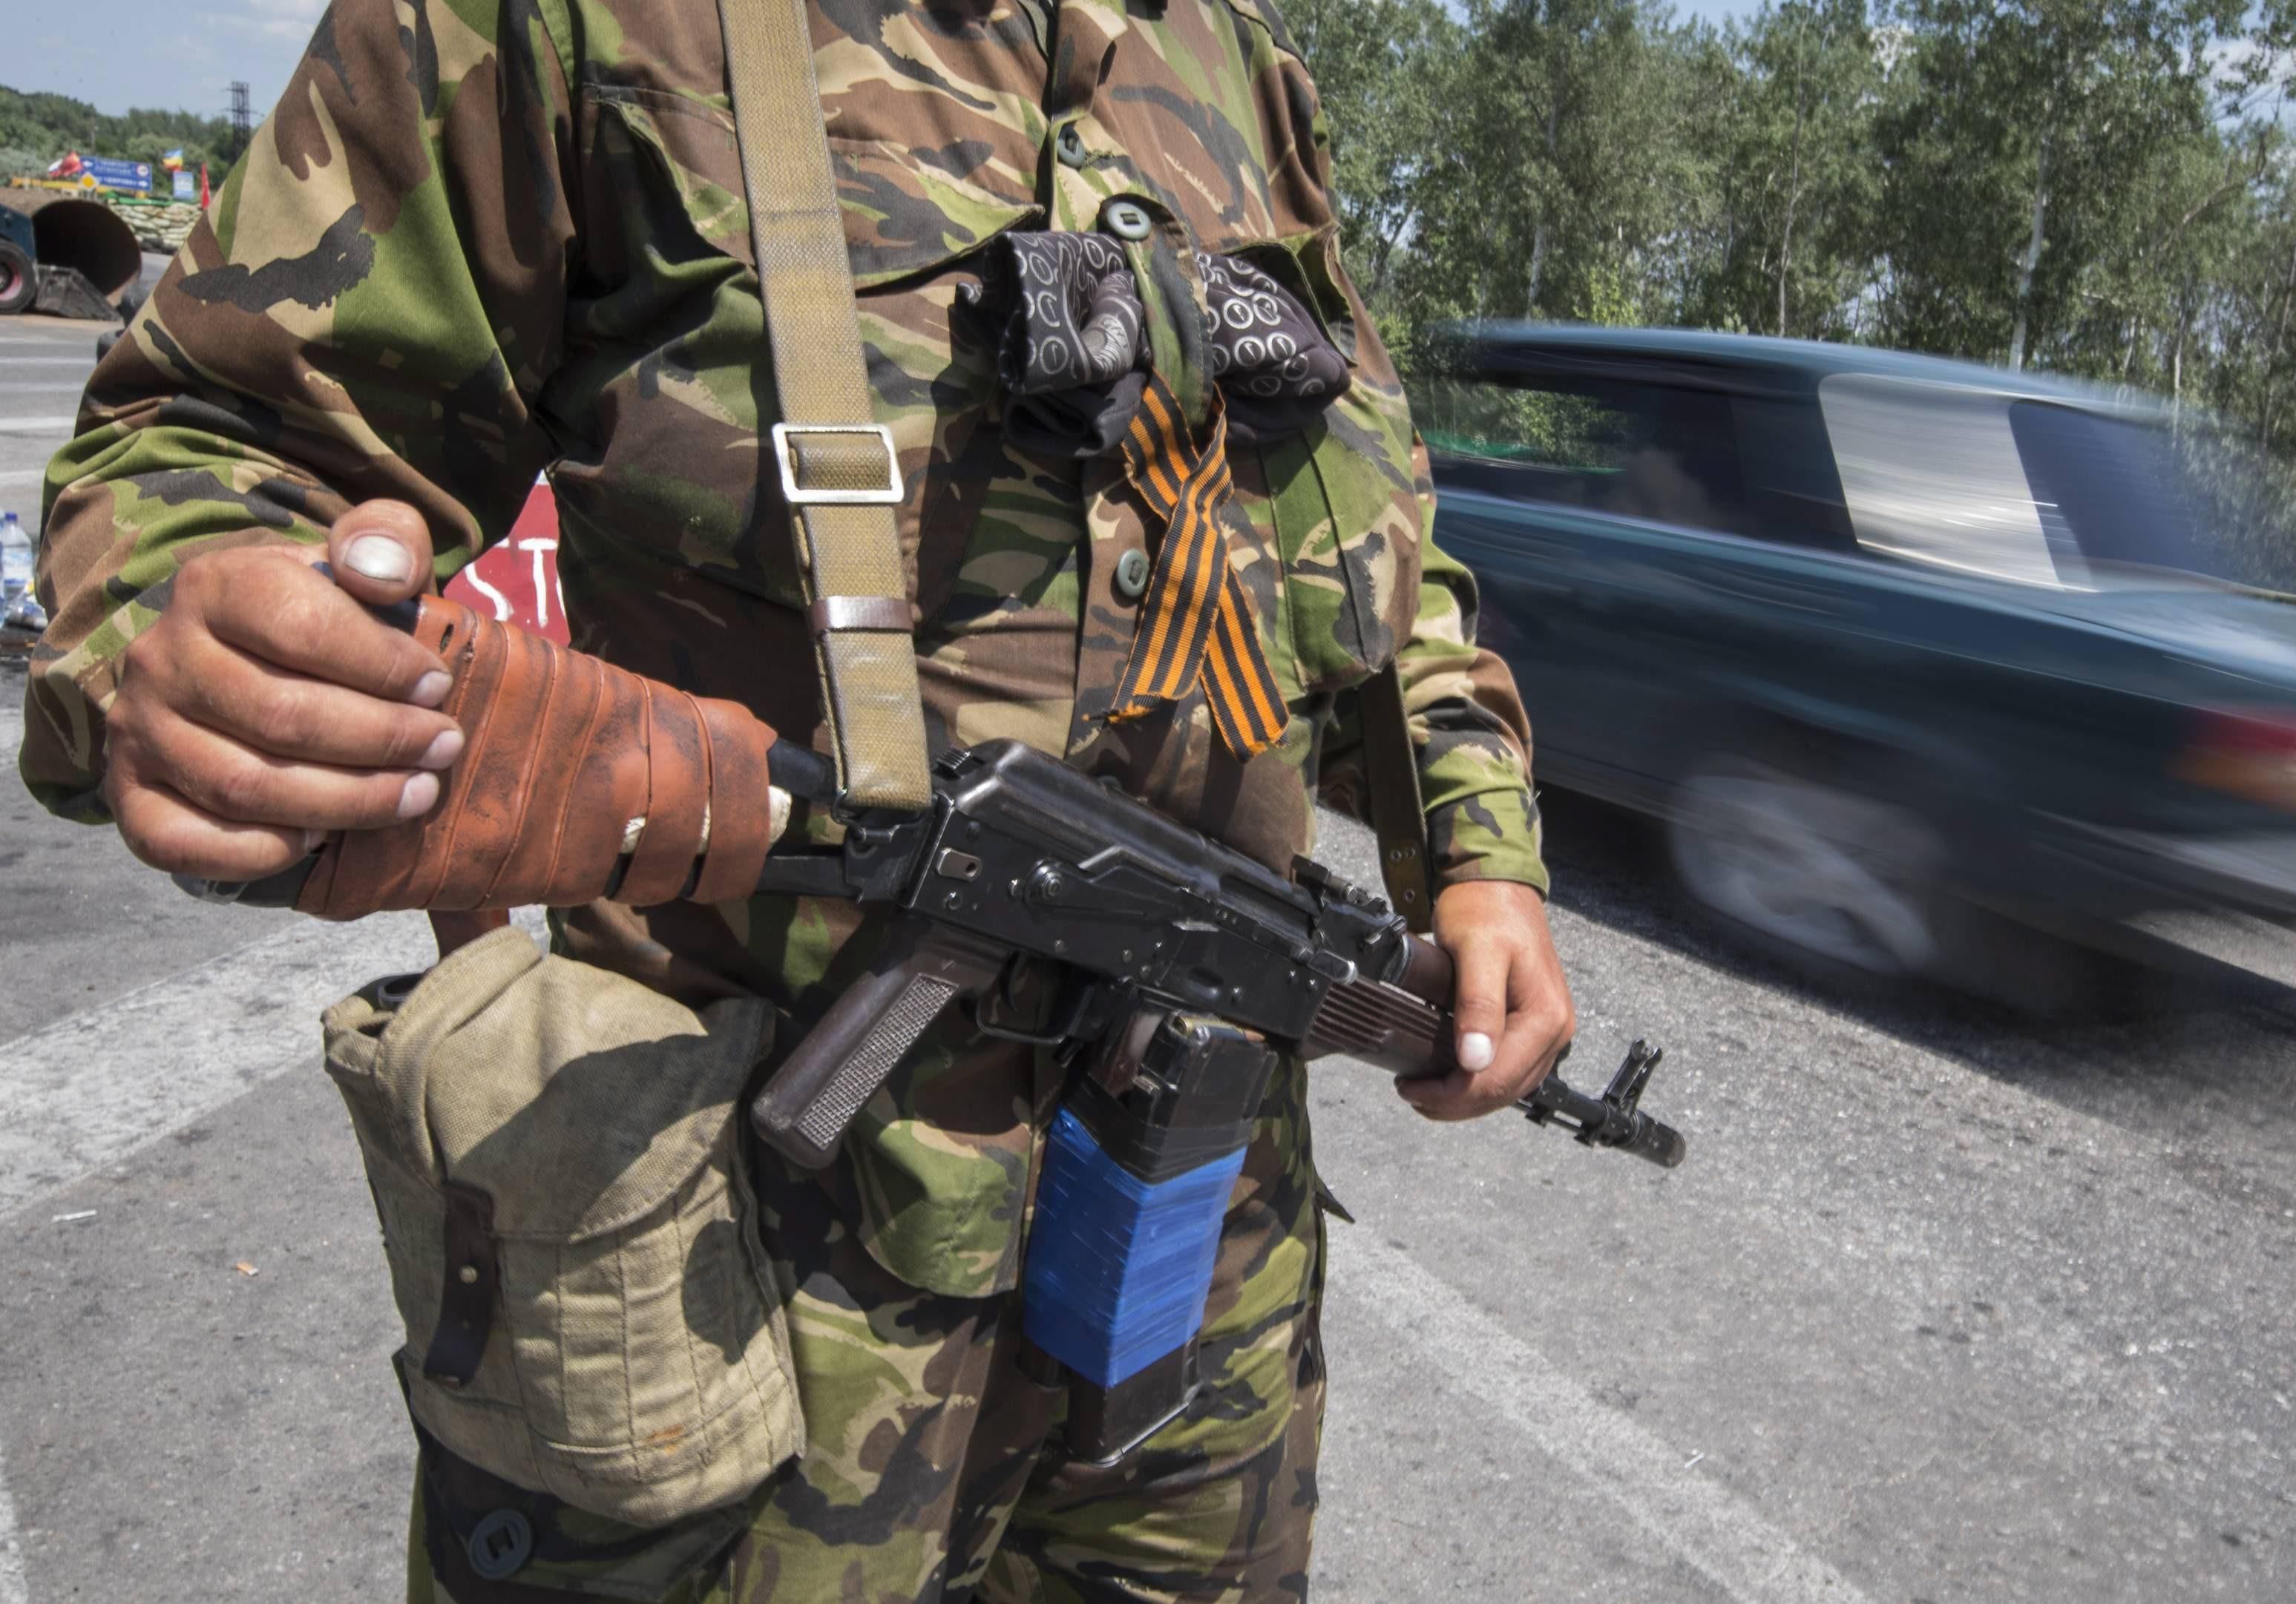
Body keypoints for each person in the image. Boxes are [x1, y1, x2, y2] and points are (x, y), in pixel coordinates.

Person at [18, 1, 1574, 1597]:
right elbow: (207, 439)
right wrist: (191, 628)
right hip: (739, 1256)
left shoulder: (1237, 60)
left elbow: (1373, 521)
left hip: (1193, 1229)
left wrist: (1478, 852)